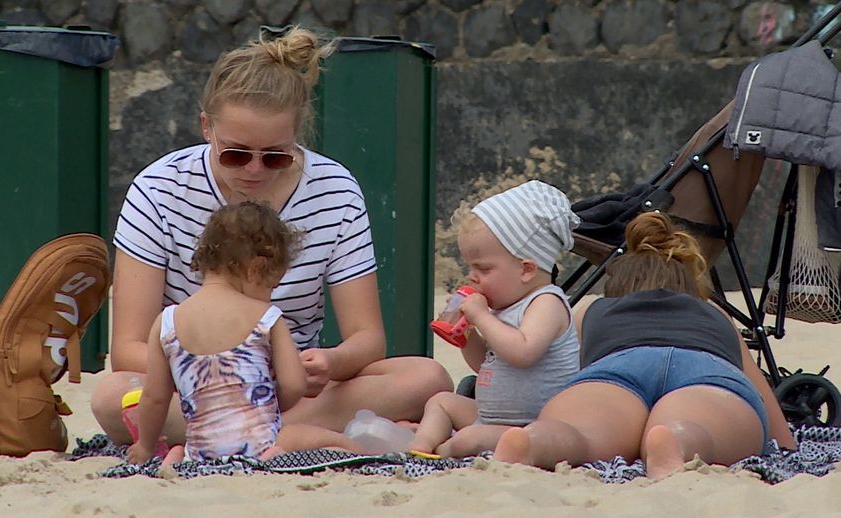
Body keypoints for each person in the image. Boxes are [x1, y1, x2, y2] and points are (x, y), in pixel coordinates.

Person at [92, 27, 451, 446]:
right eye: (236, 153)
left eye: (276, 156)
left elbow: (367, 339)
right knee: (111, 395)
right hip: (195, 381)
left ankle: (237, 433)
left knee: (427, 376)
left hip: (294, 383)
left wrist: (330, 362)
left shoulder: (334, 189)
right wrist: (234, 368)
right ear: (206, 127)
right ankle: (293, 432)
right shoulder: (159, 188)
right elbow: (128, 348)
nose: (255, 170)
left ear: (298, 136)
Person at [493, 211, 798, 479]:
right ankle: (677, 440)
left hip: (617, 366)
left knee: (580, 435)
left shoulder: (592, 311)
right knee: (698, 430)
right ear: (690, 286)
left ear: (614, 291)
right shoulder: (714, 312)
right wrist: (786, 441)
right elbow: (774, 420)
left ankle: (535, 441)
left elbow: (554, 367)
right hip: (704, 369)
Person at [126, 202, 364, 465]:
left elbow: (155, 397)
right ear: (255, 269)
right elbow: (294, 384)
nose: (271, 293)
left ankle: (177, 457)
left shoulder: (166, 322)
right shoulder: (266, 317)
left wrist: (145, 447)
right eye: (272, 285)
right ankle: (362, 451)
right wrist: (272, 406)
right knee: (330, 442)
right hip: (261, 446)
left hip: (202, 453)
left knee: (183, 449)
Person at [408, 181, 581, 457]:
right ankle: (420, 445)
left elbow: (523, 353)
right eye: (470, 267)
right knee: (441, 402)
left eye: (483, 268)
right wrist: (467, 336)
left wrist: (482, 317)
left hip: (531, 426)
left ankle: (442, 451)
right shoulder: (502, 308)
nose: (472, 277)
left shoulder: (546, 303)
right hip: (490, 417)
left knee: (469, 440)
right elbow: (486, 366)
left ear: (526, 269)